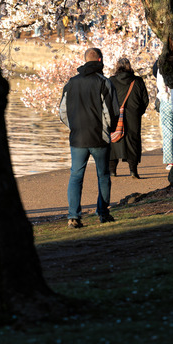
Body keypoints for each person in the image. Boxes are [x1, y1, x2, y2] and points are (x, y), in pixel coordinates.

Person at [58, 47, 118, 228]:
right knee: (103, 175)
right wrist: (109, 129)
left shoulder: (71, 83)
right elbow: (111, 111)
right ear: (100, 60)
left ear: (85, 61)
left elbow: (62, 112)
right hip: (99, 137)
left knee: (76, 176)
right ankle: (103, 212)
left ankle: (73, 216)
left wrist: (74, 127)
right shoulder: (104, 82)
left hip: (78, 138)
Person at [108, 57, 150, 179]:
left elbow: (106, 100)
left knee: (114, 141)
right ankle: (133, 171)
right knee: (133, 142)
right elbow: (145, 101)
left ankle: (112, 171)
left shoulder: (111, 81)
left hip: (115, 117)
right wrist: (137, 112)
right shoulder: (137, 81)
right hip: (133, 117)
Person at [155, 65, 173, 169]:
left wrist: (163, 95)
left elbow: (160, 86)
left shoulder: (161, 69)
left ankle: (170, 162)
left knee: (167, 132)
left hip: (165, 100)